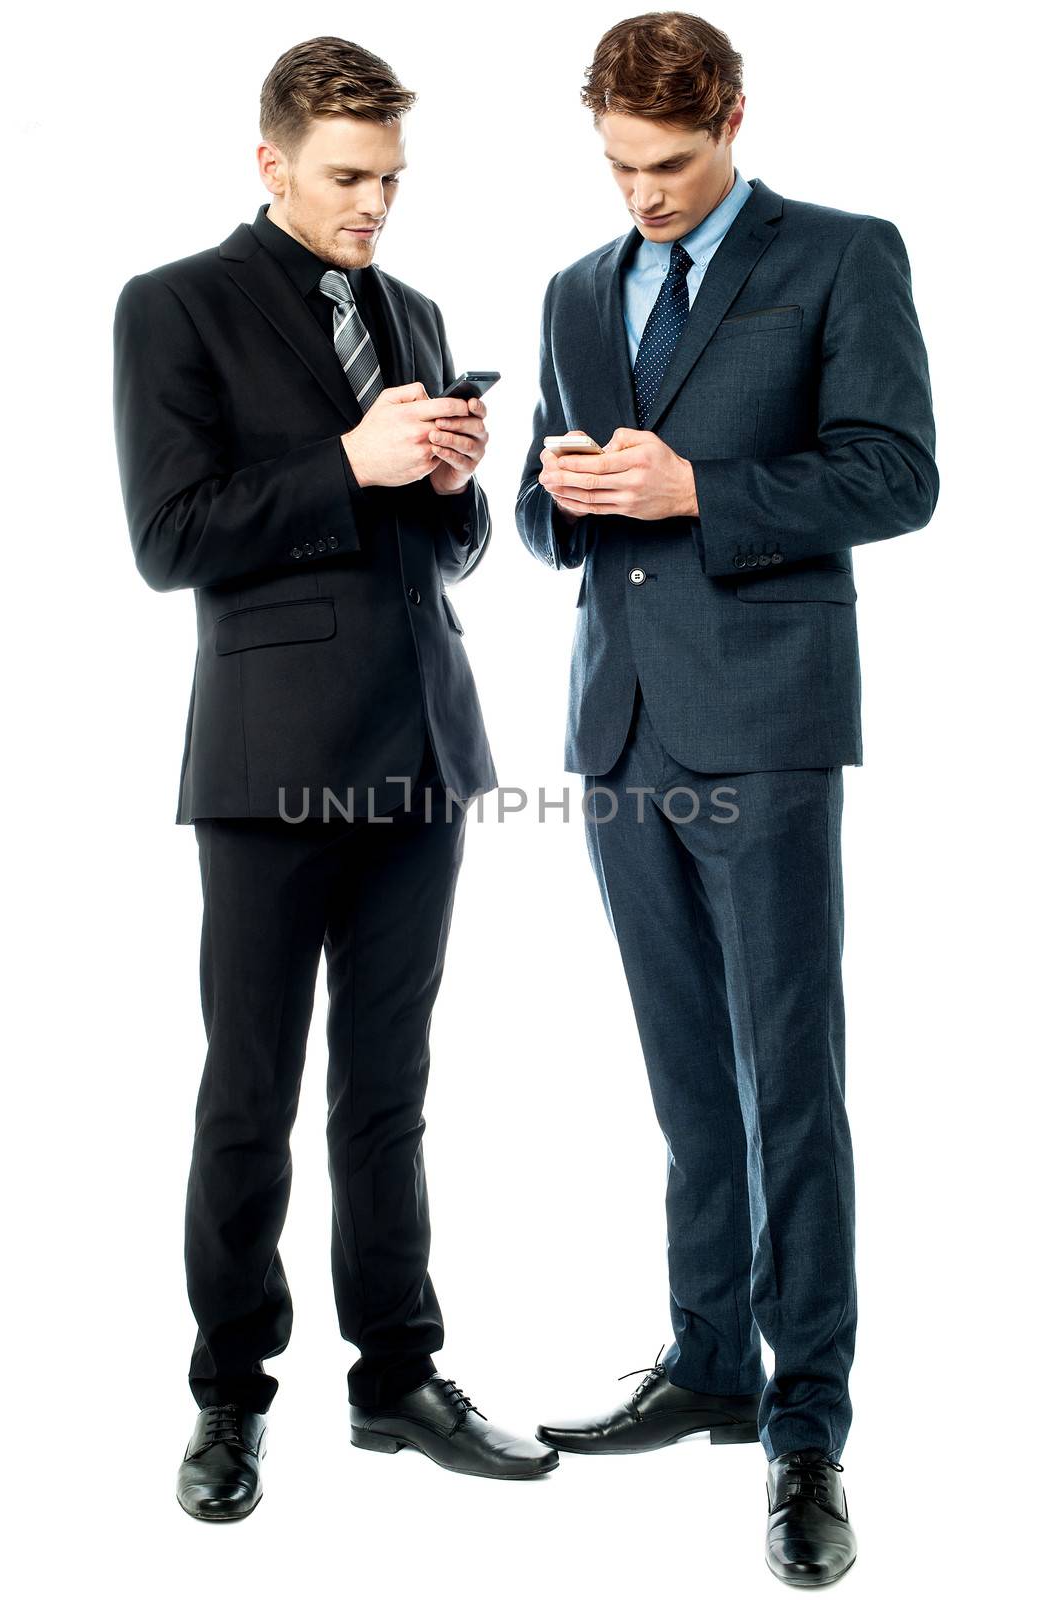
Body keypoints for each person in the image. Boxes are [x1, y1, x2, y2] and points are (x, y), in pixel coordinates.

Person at [516, 10, 936, 1586]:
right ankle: (706, 1364)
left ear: (735, 120)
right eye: (620, 167)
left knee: (787, 1085)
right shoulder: (574, 286)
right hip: (617, 725)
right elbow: (557, 512)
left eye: (671, 166)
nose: (645, 197)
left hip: (763, 720)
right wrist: (539, 492)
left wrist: (703, 491)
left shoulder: (838, 255)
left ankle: (806, 1423)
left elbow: (897, 472)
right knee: (688, 1080)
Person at [113, 33, 558, 1521]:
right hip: (269, 759)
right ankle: (229, 1397)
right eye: (347, 179)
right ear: (272, 164)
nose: (374, 207)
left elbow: (441, 552)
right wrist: (346, 461)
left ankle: (398, 1379)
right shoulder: (174, 305)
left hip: (421, 741)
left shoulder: (414, 311)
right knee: (248, 1092)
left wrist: (447, 484)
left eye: (391, 180)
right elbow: (172, 536)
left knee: (391, 1093)